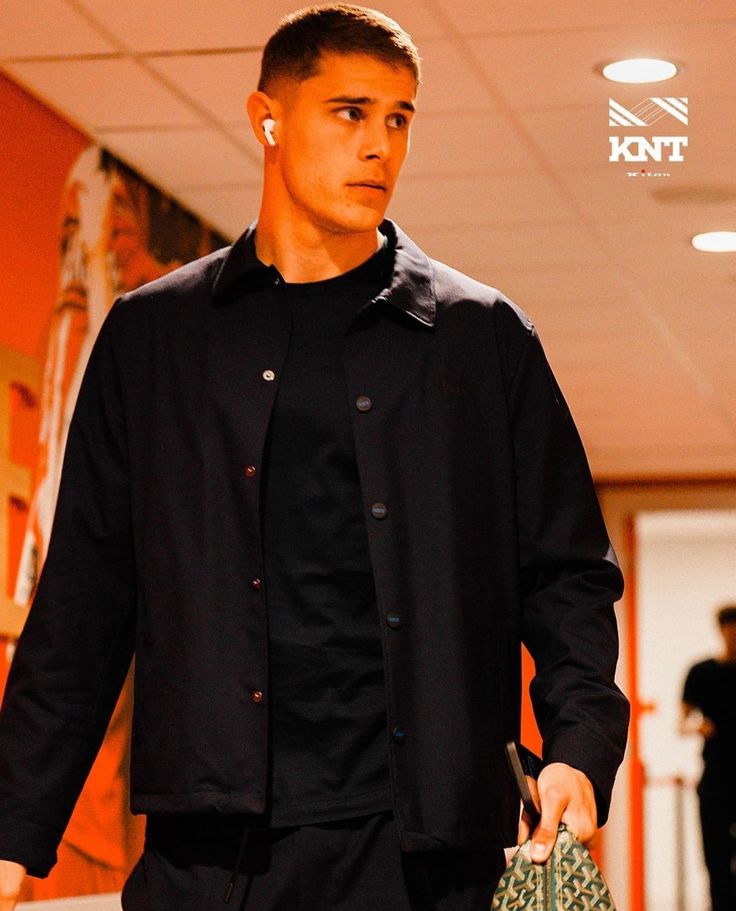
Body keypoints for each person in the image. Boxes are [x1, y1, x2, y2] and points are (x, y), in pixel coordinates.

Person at [0, 5, 629, 910]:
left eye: (399, 118)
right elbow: (84, 600)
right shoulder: (156, 338)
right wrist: (15, 829)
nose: (381, 146)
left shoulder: (481, 339)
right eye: (350, 112)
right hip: (210, 852)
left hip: (427, 853)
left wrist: (578, 747)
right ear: (267, 119)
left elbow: (567, 573)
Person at [681, 603, 736, 911]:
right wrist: (699, 726)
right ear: (721, 631)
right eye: (730, 629)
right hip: (716, 780)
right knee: (716, 860)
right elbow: (682, 722)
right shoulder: (702, 673)